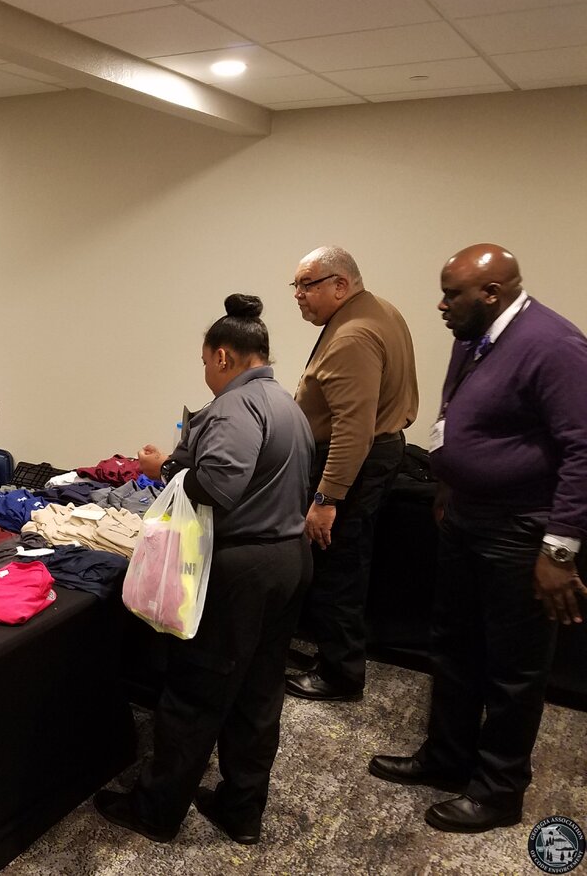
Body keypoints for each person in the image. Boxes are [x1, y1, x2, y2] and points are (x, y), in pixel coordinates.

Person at [369, 244, 587, 833]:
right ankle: (447, 758)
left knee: (513, 669)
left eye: (452, 294)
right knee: (453, 645)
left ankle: (499, 790)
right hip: (467, 515)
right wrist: (449, 479)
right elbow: (458, 414)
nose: (441, 306)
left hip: (520, 528)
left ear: (492, 292)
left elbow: (582, 449)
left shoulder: (555, 346)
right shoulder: (474, 334)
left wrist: (559, 549)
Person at [94, 294, 314, 845]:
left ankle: (155, 811)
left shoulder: (235, 407)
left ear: (222, 356)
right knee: (259, 693)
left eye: (204, 362)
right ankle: (242, 808)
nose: (206, 373)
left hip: (242, 569)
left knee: (195, 694)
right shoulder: (287, 404)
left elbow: (219, 484)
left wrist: (164, 468)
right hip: (289, 560)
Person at [286, 246, 418, 702]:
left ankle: (340, 674)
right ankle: (330, 656)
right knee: (344, 560)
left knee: (339, 564)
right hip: (377, 452)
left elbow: (352, 429)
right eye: (295, 286)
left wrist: (326, 499)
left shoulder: (352, 336)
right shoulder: (379, 310)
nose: (298, 295)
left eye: (307, 285)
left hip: (355, 462)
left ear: (340, 285)